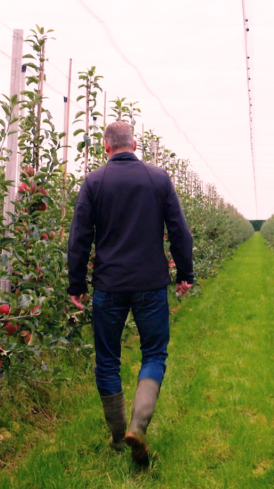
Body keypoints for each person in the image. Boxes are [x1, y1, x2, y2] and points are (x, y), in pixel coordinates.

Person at [67, 121, 194, 468]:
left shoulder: (94, 181)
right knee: (154, 352)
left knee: (107, 359)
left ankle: (116, 433)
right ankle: (138, 426)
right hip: (150, 284)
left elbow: (79, 237)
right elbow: (179, 231)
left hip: (108, 285)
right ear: (135, 144)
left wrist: (75, 284)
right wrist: (185, 274)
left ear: (106, 147)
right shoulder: (158, 178)